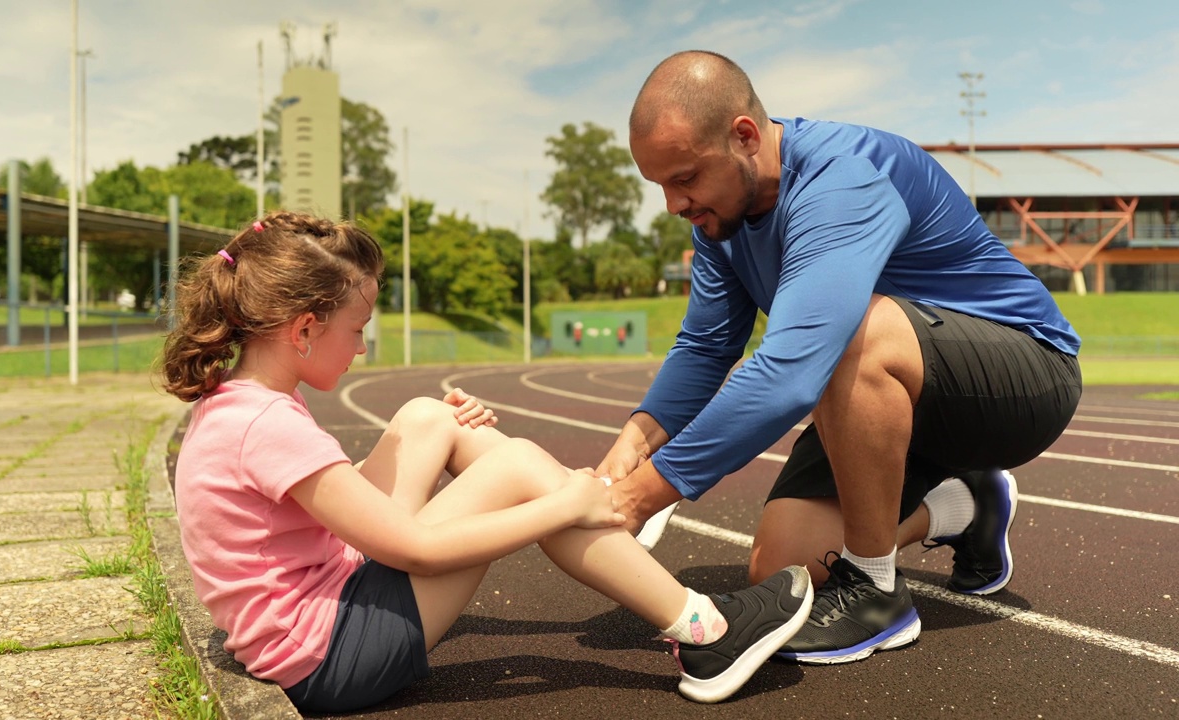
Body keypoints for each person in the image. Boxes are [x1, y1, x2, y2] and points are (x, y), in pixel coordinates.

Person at [159, 210, 814, 713]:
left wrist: (448, 432)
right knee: (523, 467)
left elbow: (320, 512)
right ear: (302, 329)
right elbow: (415, 549)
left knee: (426, 414)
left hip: (322, 616)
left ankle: (606, 526)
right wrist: (561, 504)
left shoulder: (241, 403)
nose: (361, 349)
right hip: (334, 654)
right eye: (356, 330)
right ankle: (705, 630)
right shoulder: (270, 424)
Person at [599, 50, 1082, 666]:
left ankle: (876, 592)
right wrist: (636, 442)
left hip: (1021, 373)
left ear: (744, 135)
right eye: (662, 185)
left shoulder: (842, 179)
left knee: (855, 331)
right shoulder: (720, 218)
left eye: (685, 178)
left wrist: (643, 496)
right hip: (892, 395)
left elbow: (792, 372)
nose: (673, 203)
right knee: (781, 567)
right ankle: (963, 506)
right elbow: (706, 346)